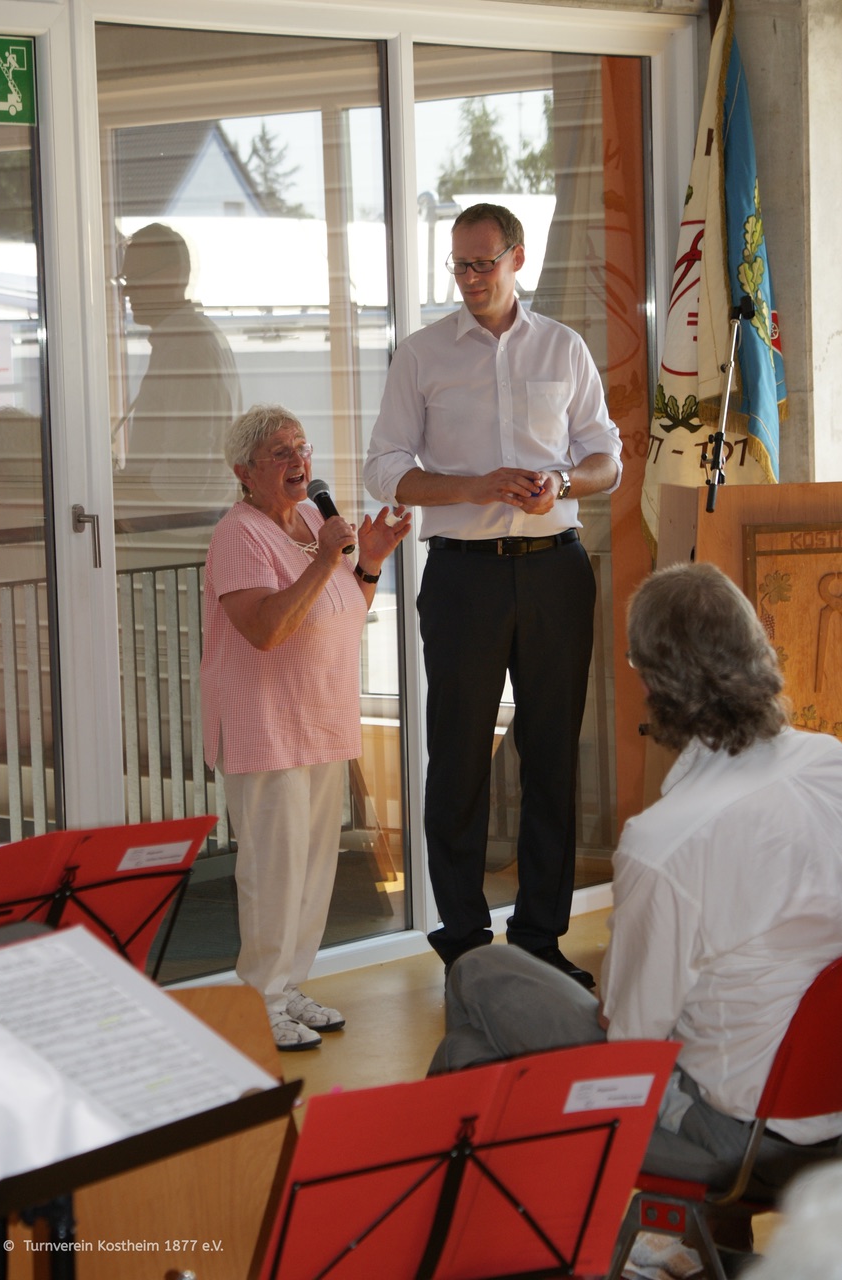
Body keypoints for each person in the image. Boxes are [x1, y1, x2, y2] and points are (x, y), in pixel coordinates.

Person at [429, 563, 842, 1223]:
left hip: (738, 1137)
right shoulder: (830, 763)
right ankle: (665, 1242)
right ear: (759, 649)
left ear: (650, 682)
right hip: (826, 1108)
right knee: (466, 1054)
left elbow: (628, 1042)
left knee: (476, 974)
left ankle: (491, 1228)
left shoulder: (667, 841)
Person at [364, 202, 622, 982]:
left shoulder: (562, 347)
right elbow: (383, 468)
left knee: (551, 758)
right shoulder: (421, 354)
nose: (470, 278)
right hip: (462, 578)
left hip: (555, 571)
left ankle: (540, 942)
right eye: (459, 264)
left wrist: (562, 483)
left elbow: (606, 458)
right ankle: (465, 947)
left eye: (483, 263)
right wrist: (473, 484)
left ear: (516, 259)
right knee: (457, 761)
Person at [200, 404, 411, 1050]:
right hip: (266, 726)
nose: (299, 462)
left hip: (321, 718)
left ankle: (288, 986)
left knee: (315, 870)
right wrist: (325, 561)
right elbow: (266, 630)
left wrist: (368, 563)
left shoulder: (316, 521)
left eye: (302, 447)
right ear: (244, 472)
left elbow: (340, 612)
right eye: (280, 453)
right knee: (274, 870)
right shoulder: (238, 536)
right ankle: (259, 1001)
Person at [113, 221, 241, 524]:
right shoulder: (187, 340)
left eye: (136, 278)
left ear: (174, 276)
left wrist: (120, 487)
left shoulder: (187, 349)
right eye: (125, 280)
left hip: (178, 528)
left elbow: (188, 477)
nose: (126, 291)